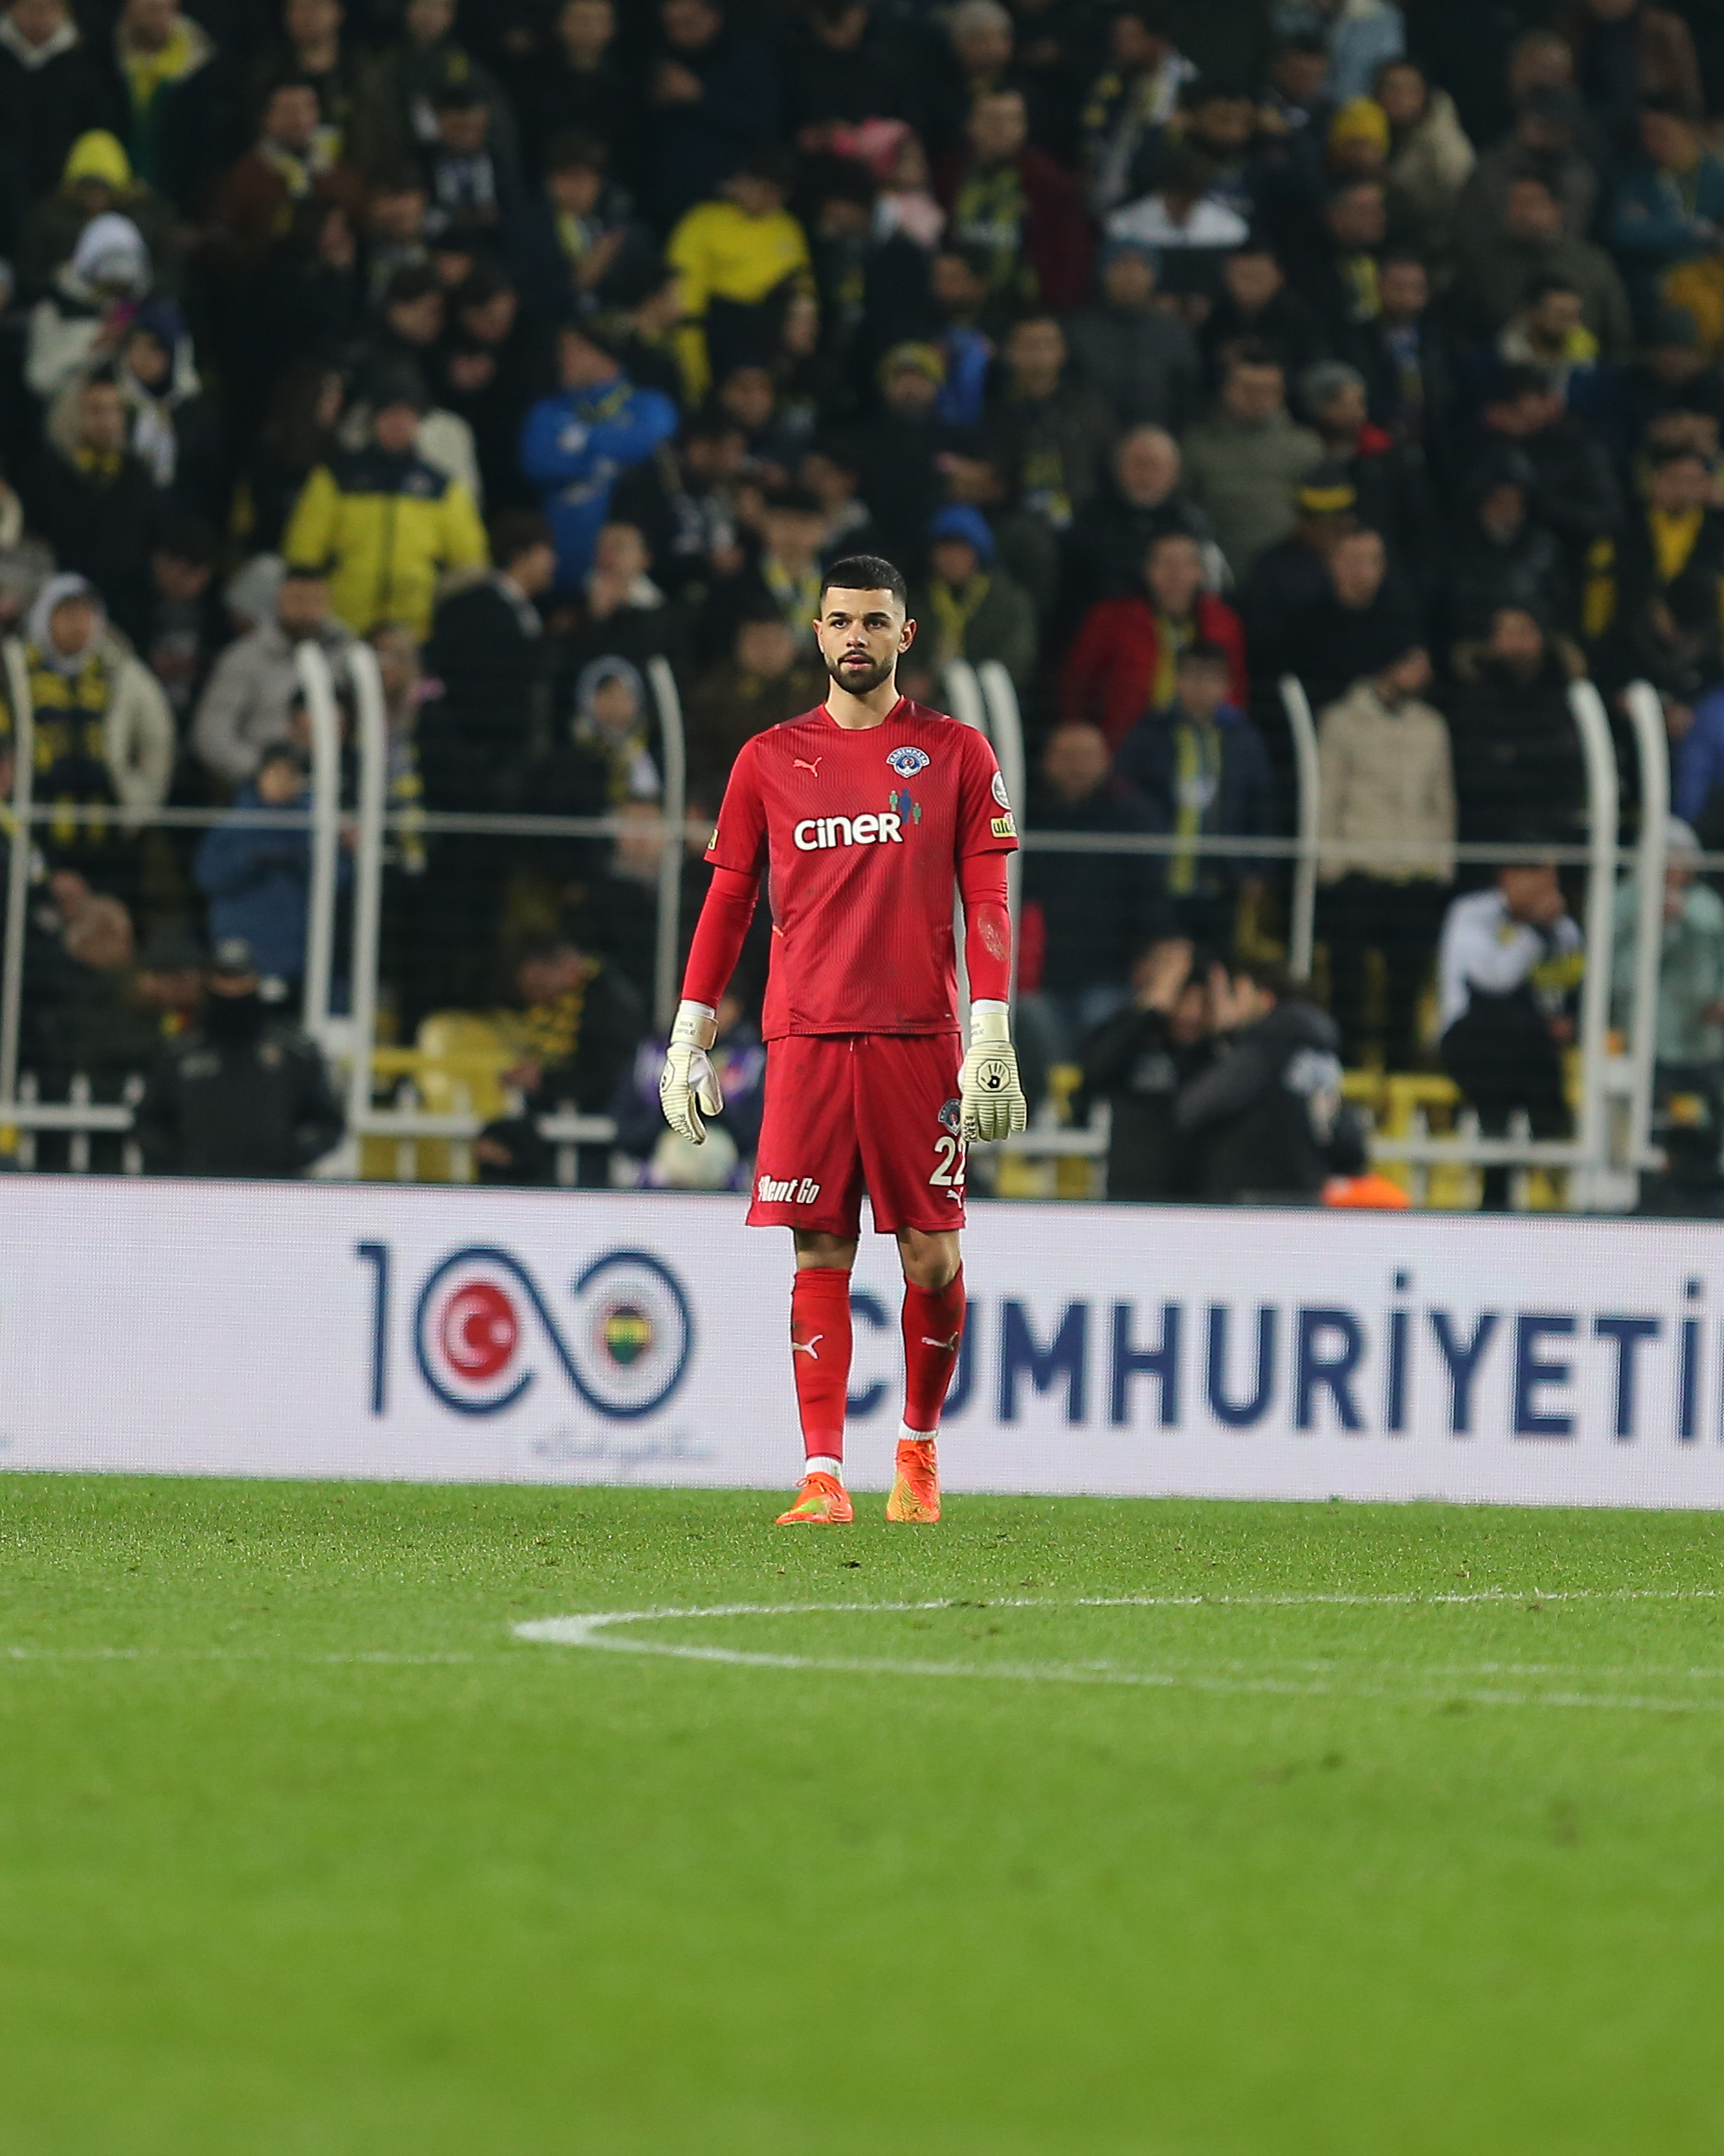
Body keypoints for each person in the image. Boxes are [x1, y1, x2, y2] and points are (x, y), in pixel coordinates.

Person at [657, 553, 1025, 1525]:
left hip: (917, 1038)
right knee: (818, 1251)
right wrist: (690, 1031)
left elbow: (988, 899)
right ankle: (822, 1475)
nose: (855, 637)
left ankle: (917, 1447)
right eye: (839, 620)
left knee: (930, 1258)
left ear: (906, 634)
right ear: (816, 632)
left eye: (874, 620)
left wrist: (991, 1030)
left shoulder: (956, 751)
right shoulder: (767, 758)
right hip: (807, 1037)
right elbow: (728, 901)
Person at [1316, 642, 1456, 1069]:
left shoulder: (1431, 726)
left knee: (1407, 979)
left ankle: (1400, 1063)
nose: (1423, 671)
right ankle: (1346, 1061)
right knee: (1348, 977)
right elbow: (1328, 796)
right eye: (1414, 661)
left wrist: (1440, 865)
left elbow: (1442, 801)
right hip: (1358, 867)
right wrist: (1330, 865)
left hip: (1413, 871)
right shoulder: (1342, 721)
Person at [0, 572, 174, 902]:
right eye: (66, 613)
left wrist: (140, 802)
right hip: (35, 828)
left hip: (107, 837)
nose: (78, 625)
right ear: (44, 616)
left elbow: (157, 738)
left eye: (86, 614)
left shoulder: (119, 669)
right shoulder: (13, 668)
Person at [284, 376, 487, 638]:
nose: (398, 423)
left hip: (415, 631)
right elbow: (303, 551)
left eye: (407, 415)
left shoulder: (440, 486)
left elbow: (469, 560)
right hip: (343, 625)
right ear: (374, 419)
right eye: (389, 413)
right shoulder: (337, 477)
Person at [134, 936, 345, 1177]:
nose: (232, 986)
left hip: (272, 1189)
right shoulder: (179, 1054)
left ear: (255, 980)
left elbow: (328, 1123)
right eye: (225, 976)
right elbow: (148, 1123)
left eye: (239, 976)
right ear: (209, 980)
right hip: (198, 1188)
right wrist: (184, 1160)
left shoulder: (293, 1053)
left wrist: (288, 1156)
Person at [1438, 861, 1583, 1210]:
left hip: (1528, 1046)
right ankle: (1501, 1183)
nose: (1546, 893)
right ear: (1509, 877)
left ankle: (1549, 1171)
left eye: (1551, 885)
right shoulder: (1472, 914)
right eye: (1538, 883)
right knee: (1507, 1048)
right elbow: (1494, 978)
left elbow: (1570, 974)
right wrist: (1533, 931)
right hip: (1471, 1037)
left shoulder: (1560, 926)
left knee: (1534, 1051)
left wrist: (1554, 930)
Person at [1115, 640, 1277, 951]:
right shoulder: (1149, 734)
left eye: (1211, 676)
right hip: (1160, 880)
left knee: (1218, 963)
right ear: (1176, 679)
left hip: (1223, 882)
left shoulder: (1243, 739)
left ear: (1226, 684)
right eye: (1192, 675)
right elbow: (1126, 799)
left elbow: (1260, 805)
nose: (1201, 686)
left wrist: (1256, 868)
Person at [518, 319, 679, 591]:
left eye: (573, 350)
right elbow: (537, 462)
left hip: (631, 580)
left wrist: (584, 441)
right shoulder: (548, 411)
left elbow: (648, 442)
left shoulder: (647, 403)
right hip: (558, 577)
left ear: (602, 353)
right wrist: (609, 462)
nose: (562, 359)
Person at [1173, 957, 1348, 1203]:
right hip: (1306, 1193)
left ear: (1265, 1000)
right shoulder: (1318, 1050)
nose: (1225, 1005)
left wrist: (1217, 1039)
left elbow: (1191, 1108)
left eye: (1235, 995)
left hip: (1256, 1199)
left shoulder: (1263, 1051)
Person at [1062, 530, 1247, 747]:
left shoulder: (1224, 623)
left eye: (1185, 564)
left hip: (1205, 743)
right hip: (1124, 745)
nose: (1175, 575)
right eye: (1166, 564)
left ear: (1200, 573)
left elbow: (1235, 690)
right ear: (1147, 570)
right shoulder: (1112, 620)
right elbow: (1078, 684)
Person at [194, 745, 347, 998]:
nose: (283, 782)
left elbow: (339, 879)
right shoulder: (236, 823)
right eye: (276, 773)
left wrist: (302, 859)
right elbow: (207, 876)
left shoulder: (316, 824)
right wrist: (252, 859)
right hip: (242, 948)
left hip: (304, 953)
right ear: (261, 775)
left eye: (291, 775)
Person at [1080, 936, 1216, 1200]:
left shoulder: (1213, 1046)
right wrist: (1150, 1012)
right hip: (1134, 1194)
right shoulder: (1127, 1031)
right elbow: (1093, 1072)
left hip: (1199, 1197)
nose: (1191, 1013)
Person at [193, 567, 353, 791]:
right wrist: (261, 770)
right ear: (278, 601)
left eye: (315, 600)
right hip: (258, 785)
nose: (306, 610)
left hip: (335, 781)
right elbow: (211, 735)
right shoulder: (243, 657)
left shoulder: (348, 656)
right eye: (297, 599)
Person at [1180, 346, 1324, 578]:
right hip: (1219, 570)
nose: (1258, 398)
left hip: (1288, 575)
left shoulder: (1306, 447)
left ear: (1281, 393)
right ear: (1227, 388)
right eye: (1248, 388)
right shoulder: (1197, 446)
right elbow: (1184, 511)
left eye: (1268, 390)